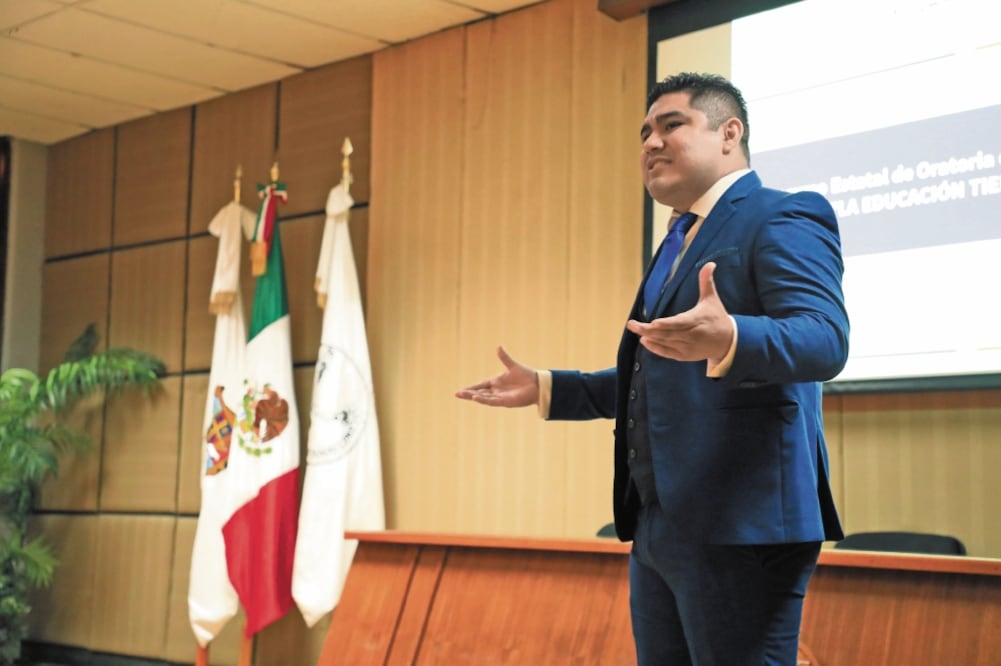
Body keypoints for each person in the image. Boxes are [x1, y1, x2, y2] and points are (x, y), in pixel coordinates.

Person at [456, 72, 849, 665]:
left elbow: (825, 339)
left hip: (742, 524)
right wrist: (548, 388)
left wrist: (734, 335)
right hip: (659, 524)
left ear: (729, 134)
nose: (650, 143)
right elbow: (660, 376)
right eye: (644, 132)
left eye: (671, 125)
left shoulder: (782, 214)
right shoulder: (679, 238)